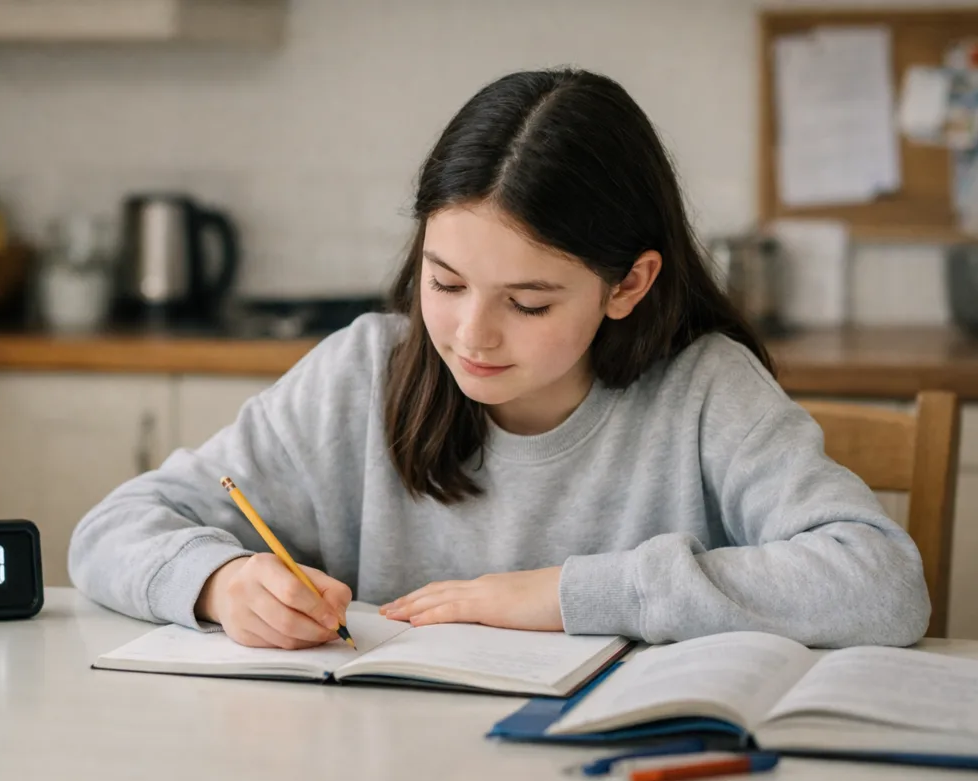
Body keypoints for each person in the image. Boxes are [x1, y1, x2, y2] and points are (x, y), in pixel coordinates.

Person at [69, 67, 930, 651]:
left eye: (527, 302)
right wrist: (220, 580)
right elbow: (110, 530)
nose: (471, 336)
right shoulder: (363, 374)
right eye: (444, 281)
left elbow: (882, 585)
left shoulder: (705, 392)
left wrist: (562, 595)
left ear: (627, 284)